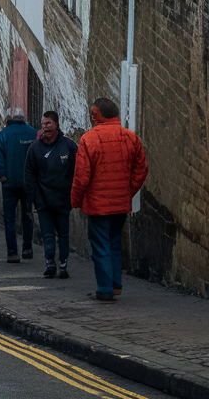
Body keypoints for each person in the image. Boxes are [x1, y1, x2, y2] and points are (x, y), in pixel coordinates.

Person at [71, 97, 148, 301]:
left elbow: (81, 177)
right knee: (114, 243)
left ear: (96, 115)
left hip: (97, 204)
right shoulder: (130, 137)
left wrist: (76, 200)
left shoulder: (89, 139)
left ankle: (105, 289)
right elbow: (141, 169)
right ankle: (115, 285)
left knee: (101, 246)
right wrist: (127, 191)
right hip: (120, 203)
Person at [24, 110, 77, 280]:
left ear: (56, 124)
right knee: (47, 234)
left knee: (63, 234)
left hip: (63, 199)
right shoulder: (34, 148)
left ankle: (63, 265)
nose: (45, 127)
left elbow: (78, 171)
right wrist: (32, 199)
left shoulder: (69, 146)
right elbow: (29, 175)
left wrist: (75, 194)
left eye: (48, 123)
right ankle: (50, 264)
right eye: (43, 124)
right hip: (43, 200)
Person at [0, 107, 39, 263]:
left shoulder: (1, 136)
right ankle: (27, 248)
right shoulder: (33, 134)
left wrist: (3, 175)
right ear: (23, 118)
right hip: (28, 183)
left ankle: (12, 252)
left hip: (9, 184)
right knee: (28, 215)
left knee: (9, 219)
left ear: (9, 119)